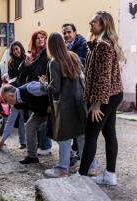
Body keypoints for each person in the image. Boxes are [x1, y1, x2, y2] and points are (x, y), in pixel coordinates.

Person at [78, 11, 124, 186]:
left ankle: (82, 176)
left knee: (91, 134)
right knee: (109, 133)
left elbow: (102, 78)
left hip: (104, 97)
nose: (90, 22)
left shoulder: (103, 46)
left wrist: (96, 104)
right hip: (112, 95)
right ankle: (110, 175)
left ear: (103, 25)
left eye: (94, 21)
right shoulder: (102, 44)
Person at [38, 33, 87, 178]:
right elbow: (82, 77)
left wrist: (42, 85)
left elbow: (55, 88)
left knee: (64, 137)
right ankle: (90, 166)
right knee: (82, 136)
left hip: (64, 105)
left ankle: (62, 169)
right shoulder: (74, 56)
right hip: (79, 101)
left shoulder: (54, 62)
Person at [62, 23, 96, 174]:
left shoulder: (83, 44)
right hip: (72, 91)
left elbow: (87, 63)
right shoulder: (66, 46)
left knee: (83, 132)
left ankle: (89, 166)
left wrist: (70, 58)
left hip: (82, 91)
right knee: (79, 132)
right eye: (65, 33)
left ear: (75, 32)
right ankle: (84, 162)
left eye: (69, 32)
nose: (67, 35)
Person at [0, 83, 50, 164]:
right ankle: (32, 156)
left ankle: (70, 156)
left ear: (12, 96)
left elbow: (52, 88)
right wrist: (3, 140)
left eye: (5, 100)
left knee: (57, 132)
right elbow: (10, 122)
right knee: (30, 126)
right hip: (40, 113)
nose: (6, 103)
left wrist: (52, 104)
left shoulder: (30, 88)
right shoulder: (16, 105)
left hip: (54, 110)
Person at [19, 30, 52, 156]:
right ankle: (35, 150)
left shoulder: (47, 54)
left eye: (42, 37)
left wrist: (45, 80)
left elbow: (49, 71)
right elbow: (24, 72)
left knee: (43, 120)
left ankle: (45, 146)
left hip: (43, 90)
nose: (40, 39)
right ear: (33, 41)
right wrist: (26, 65)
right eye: (37, 38)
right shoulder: (33, 55)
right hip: (33, 91)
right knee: (34, 122)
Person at [8, 41, 27, 149]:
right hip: (18, 91)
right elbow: (12, 79)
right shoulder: (11, 63)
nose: (16, 51)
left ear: (21, 48)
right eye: (14, 50)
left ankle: (33, 140)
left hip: (28, 90)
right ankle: (22, 141)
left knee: (30, 116)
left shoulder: (27, 59)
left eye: (17, 49)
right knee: (21, 116)